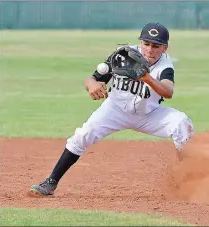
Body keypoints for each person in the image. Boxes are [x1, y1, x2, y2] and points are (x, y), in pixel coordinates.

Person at [29, 22, 194, 196]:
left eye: (156, 46)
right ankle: (50, 183)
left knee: (181, 123)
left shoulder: (165, 66)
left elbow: (168, 91)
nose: (150, 50)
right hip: (115, 110)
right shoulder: (124, 55)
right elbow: (92, 79)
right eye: (146, 44)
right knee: (83, 134)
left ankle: (187, 180)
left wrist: (147, 78)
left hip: (149, 115)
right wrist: (92, 85)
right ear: (140, 43)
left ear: (165, 48)